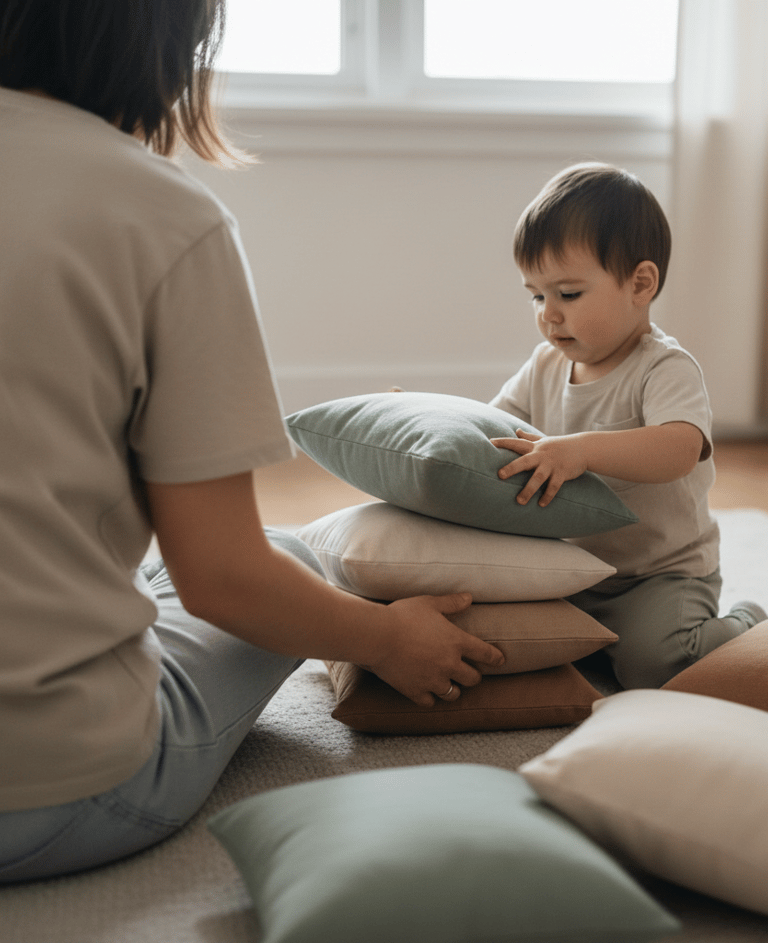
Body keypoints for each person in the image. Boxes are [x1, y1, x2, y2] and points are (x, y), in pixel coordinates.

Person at [0, 0, 505, 883]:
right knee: (285, 562)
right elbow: (223, 578)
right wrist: (383, 639)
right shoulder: (160, 216)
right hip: (48, 789)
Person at [489, 162, 765, 690]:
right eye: (536, 295)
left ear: (640, 284)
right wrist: (425, 415)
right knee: (523, 646)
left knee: (655, 668)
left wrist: (582, 450)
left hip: (660, 574)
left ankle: (747, 623)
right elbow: (492, 425)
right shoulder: (543, 365)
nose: (548, 314)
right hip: (571, 568)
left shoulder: (663, 367)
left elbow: (678, 448)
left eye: (568, 294)